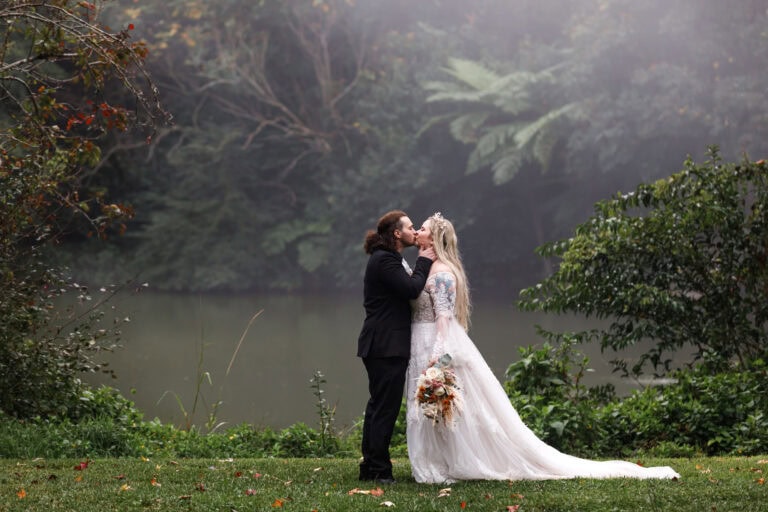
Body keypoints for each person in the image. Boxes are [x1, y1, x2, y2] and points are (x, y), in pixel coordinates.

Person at [405, 212, 680, 483]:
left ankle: (449, 462)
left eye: (424, 228)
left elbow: (444, 319)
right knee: (436, 404)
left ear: (436, 238)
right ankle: (437, 459)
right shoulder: (428, 266)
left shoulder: (442, 273)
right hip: (422, 339)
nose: (418, 230)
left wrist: (438, 358)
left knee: (443, 401)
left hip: (437, 342)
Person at [357, 210, 436, 484]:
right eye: (411, 227)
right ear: (397, 233)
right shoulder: (385, 260)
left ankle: (370, 467)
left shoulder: (390, 259)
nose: (415, 231)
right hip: (385, 344)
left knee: (378, 405)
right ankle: (379, 470)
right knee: (385, 408)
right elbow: (411, 289)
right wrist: (425, 261)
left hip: (383, 344)